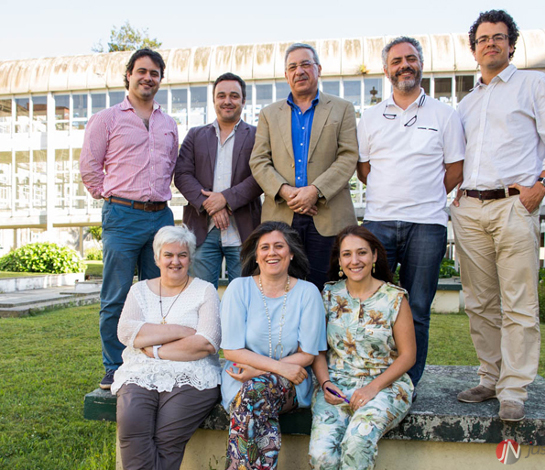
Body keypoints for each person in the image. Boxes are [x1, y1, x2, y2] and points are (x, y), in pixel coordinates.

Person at [451, 10, 545, 421]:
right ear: (473, 49)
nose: (491, 43)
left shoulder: (533, 84)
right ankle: (491, 376)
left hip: (513, 204)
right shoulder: (467, 103)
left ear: (511, 44)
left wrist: (541, 184)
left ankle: (515, 389)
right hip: (469, 208)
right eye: (483, 38)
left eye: (498, 37)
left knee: (519, 303)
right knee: (480, 302)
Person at [357, 36, 464, 389]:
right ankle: (375, 377)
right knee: (376, 307)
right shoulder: (370, 117)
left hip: (427, 225)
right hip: (379, 222)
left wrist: (423, 195)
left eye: (411, 58)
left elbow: (455, 169)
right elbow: (364, 169)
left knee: (417, 308)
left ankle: (409, 383)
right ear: (386, 69)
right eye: (397, 60)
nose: (405, 64)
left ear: (421, 63)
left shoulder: (445, 115)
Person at [80, 48, 178, 390]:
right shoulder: (107, 118)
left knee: (160, 294)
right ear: (129, 75)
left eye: (154, 72)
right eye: (141, 71)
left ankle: (153, 357)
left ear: (160, 79)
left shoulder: (169, 123)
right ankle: (113, 365)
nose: (147, 77)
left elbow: (172, 167)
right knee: (116, 295)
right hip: (122, 216)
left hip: (161, 216)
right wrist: (112, 198)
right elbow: (90, 169)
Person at [250, 43, 359, 290]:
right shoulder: (269, 114)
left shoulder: (342, 109)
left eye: (305, 64)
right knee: (281, 289)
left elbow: (348, 156)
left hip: (328, 214)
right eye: (292, 67)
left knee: (330, 289)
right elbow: (258, 161)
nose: (299, 71)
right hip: (281, 216)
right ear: (286, 75)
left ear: (318, 69)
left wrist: (315, 191)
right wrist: (286, 192)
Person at [111, 225, 221, 470]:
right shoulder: (138, 290)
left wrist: (155, 348)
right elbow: (127, 332)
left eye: (182, 255)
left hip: (192, 376)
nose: (175, 261)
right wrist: (181, 331)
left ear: (190, 258)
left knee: (166, 439)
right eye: (168, 255)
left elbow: (207, 341)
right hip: (140, 373)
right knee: (131, 428)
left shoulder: (205, 291)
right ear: (157, 258)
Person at [220, 221, 327, 469]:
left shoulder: (308, 293)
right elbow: (232, 350)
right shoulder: (239, 288)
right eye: (264, 247)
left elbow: (308, 354)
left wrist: (260, 372)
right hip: (241, 378)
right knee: (256, 401)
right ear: (256, 256)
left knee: (254, 393)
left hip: (288, 383)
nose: (272, 252)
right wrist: (272, 370)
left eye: (279, 246)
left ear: (290, 254)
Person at [309, 225, 416, 469]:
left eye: (362, 253)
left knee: (358, 441)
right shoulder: (328, 295)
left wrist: (371, 389)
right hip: (336, 385)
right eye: (347, 254)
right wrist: (325, 383)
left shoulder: (394, 298)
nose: (354, 260)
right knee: (321, 456)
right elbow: (318, 349)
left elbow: (408, 356)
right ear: (339, 259)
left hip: (384, 386)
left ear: (375, 256)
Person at [174, 72, 262, 289]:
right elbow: (182, 175)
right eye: (221, 95)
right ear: (214, 100)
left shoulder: (258, 135)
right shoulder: (195, 135)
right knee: (201, 298)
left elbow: (261, 176)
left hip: (243, 231)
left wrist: (225, 200)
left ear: (243, 100)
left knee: (245, 296)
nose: (227, 101)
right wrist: (210, 205)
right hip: (202, 230)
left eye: (234, 95)